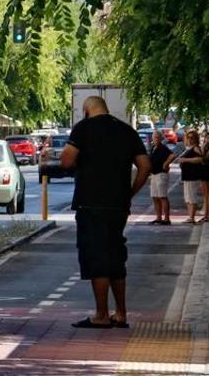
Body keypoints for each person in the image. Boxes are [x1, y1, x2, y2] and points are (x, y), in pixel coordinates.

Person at [60, 96, 150, 329]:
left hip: (91, 204)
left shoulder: (83, 129)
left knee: (97, 257)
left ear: (87, 111)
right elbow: (145, 166)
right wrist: (129, 193)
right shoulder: (126, 131)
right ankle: (121, 313)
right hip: (118, 205)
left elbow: (67, 161)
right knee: (116, 256)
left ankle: (101, 314)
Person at [176, 131, 205, 225]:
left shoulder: (196, 148)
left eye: (192, 137)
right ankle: (190, 217)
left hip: (193, 176)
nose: (189, 139)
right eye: (188, 137)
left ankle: (192, 217)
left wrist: (185, 160)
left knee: (192, 197)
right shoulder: (188, 148)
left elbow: (200, 159)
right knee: (187, 197)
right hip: (187, 176)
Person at [147, 131, 175, 225]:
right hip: (154, 174)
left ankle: (166, 219)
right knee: (155, 197)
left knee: (162, 196)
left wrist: (166, 163)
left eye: (158, 137)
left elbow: (172, 155)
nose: (156, 139)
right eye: (154, 137)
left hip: (161, 174)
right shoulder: (153, 147)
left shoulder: (163, 148)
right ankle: (158, 217)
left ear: (161, 138)